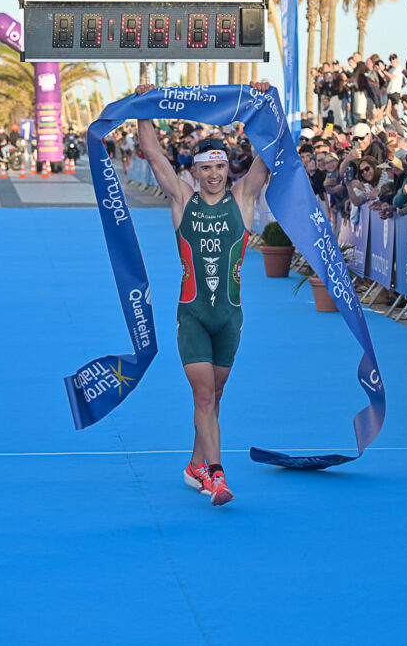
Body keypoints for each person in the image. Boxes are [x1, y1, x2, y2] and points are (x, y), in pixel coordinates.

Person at [134, 81, 272, 507]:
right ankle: (216, 475)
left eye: (220, 167)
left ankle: (195, 464)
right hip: (192, 316)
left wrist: (265, 102)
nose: (213, 175)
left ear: (229, 168)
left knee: (214, 397)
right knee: (205, 396)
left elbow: (270, 153)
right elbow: (153, 154)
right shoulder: (182, 199)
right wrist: (143, 107)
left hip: (230, 318)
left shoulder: (243, 198)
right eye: (206, 168)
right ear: (194, 172)